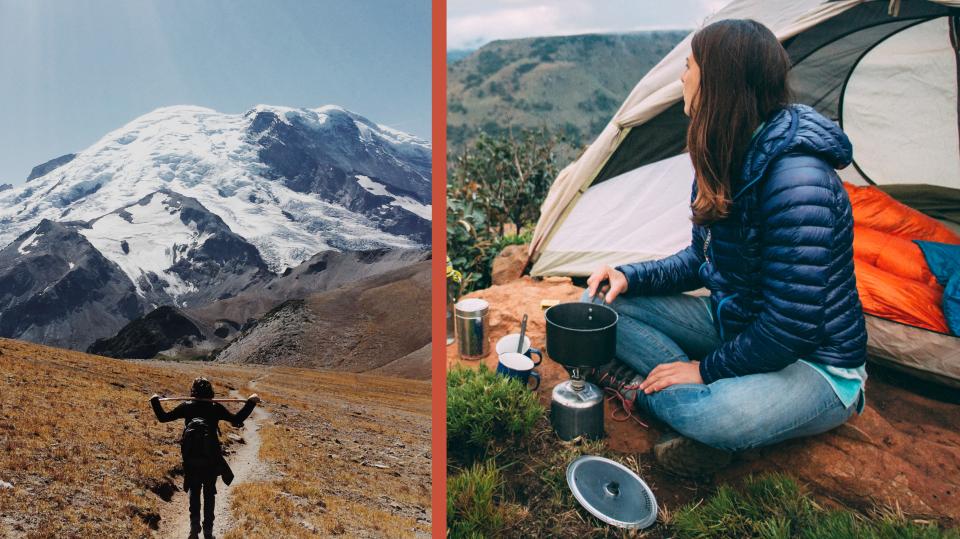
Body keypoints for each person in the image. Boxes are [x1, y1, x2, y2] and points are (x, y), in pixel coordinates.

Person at [583, 19, 867, 477]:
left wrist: (707, 370)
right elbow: (702, 259)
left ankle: (666, 395)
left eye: (690, 66)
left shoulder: (798, 180)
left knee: (712, 414)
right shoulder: (725, 150)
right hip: (739, 325)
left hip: (815, 364)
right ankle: (672, 389)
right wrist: (629, 275)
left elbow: (792, 325)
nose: (682, 77)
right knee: (597, 304)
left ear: (719, 80)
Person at [150, 378, 260, 539]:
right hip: (211, 456)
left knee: (194, 491)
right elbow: (237, 420)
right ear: (210, 391)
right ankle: (208, 531)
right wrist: (251, 403)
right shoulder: (215, 407)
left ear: (193, 391)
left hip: (191, 456)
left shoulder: (187, 406)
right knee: (209, 493)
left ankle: (194, 528)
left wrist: (154, 400)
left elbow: (163, 417)